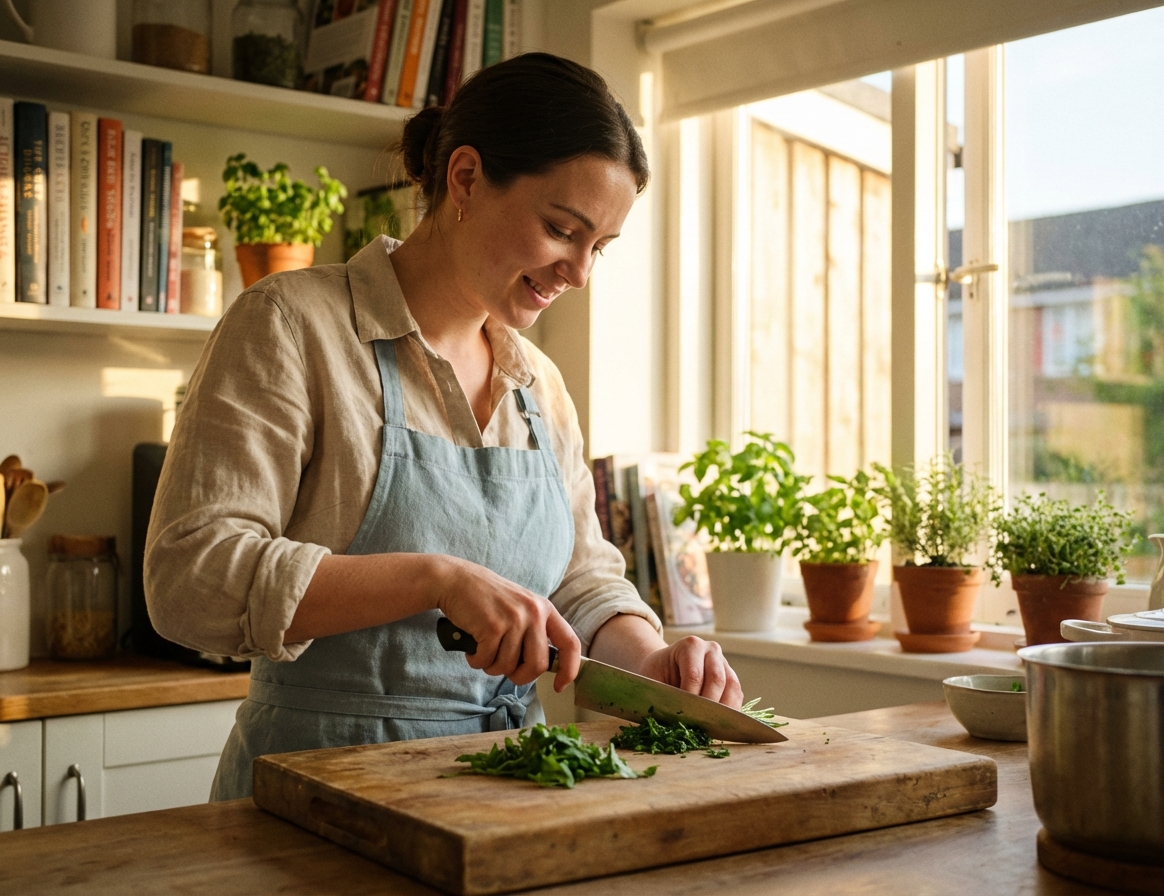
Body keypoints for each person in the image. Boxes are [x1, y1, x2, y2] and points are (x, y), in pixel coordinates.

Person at [146, 53, 742, 801]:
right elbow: (189, 580)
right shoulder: (292, 325)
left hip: (509, 796)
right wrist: (433, 578)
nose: (579, 273)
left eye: (601, 248)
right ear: (464, 177)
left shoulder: (539, 385)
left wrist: (655, 664)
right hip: (316, 795)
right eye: (563, 229)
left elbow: (581, 581)